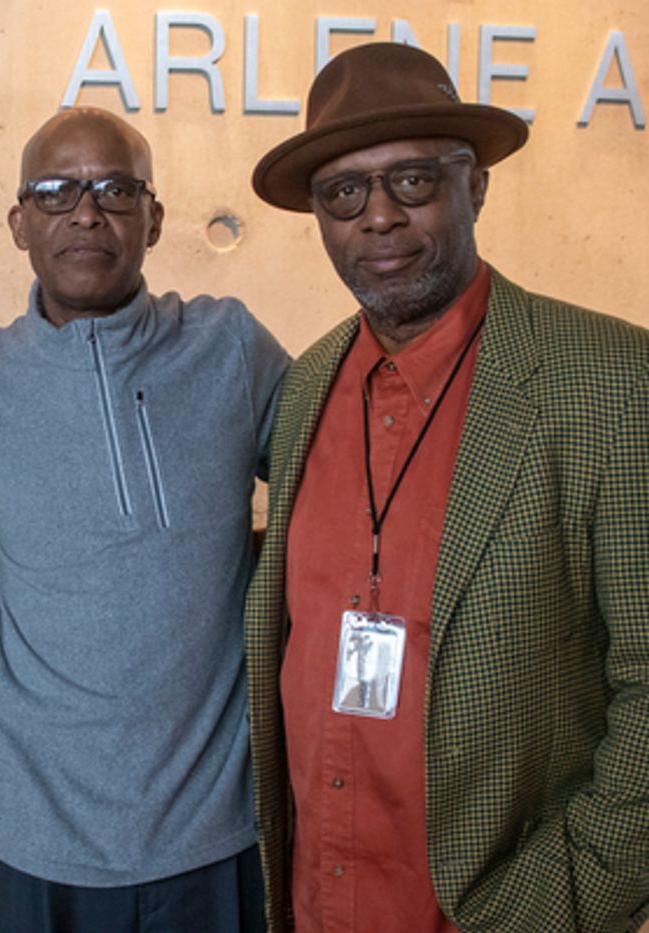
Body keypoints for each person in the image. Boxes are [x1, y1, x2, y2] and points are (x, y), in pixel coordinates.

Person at [247, 42, 649, 932]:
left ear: (476, 187)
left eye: (414, 181)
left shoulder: (614, 385)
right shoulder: (307, 387)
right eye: (344, 193)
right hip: (314, 902)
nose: (379, 217)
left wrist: (569, 899)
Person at [0, 106, 288, 932]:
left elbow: (342, 485)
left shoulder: (229, 346)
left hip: (212, 829)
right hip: (37, 835)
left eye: (115, 189)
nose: (86, 212)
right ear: (19, 223)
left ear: (154, 218)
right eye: (56, 192)